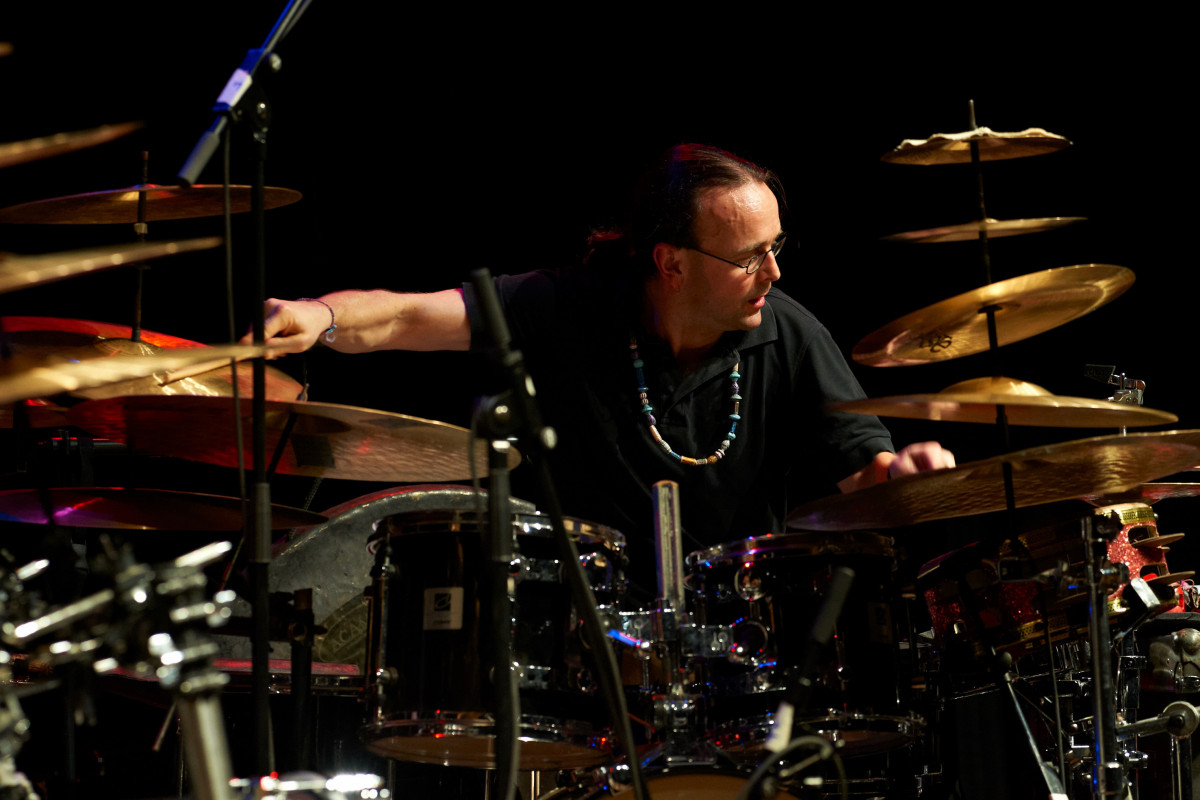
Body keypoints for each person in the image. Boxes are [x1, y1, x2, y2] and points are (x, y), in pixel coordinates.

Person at [248, 144, 954, 593]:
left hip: (736, 640)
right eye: (748, 257)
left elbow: (865, 478)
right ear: (671, 263)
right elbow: (404, 316)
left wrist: (904, 476)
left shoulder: (789, 333)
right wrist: (320, 315)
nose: (772, 272)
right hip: (575, 624)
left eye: (776, 247)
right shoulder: (570, 306)